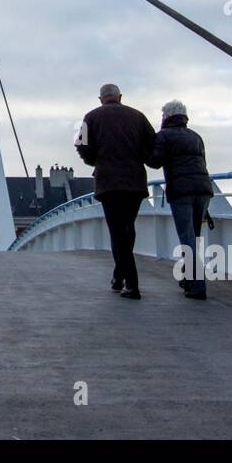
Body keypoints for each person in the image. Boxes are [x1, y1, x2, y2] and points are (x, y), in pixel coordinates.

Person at [75, 83, 156, 300]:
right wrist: (143, 158)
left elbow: (81, 144)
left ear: (101, 99)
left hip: (108, 183)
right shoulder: (138, 116)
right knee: (128, 229)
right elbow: (152, 145)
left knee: (118, 232)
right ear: (120, 96)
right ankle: (119, 276)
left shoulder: (90, 117)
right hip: (135, 182)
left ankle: (131, 284)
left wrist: (94, 160)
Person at [149, 99, 211, 300]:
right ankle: (188, 279)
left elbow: (155, 162)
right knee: (194, 238)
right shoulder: (196, 137)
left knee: (187, 239)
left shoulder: (164, 136)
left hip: (181, 191)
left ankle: (197, 286)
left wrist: (143, 150)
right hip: (203, 190)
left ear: (166, 117)